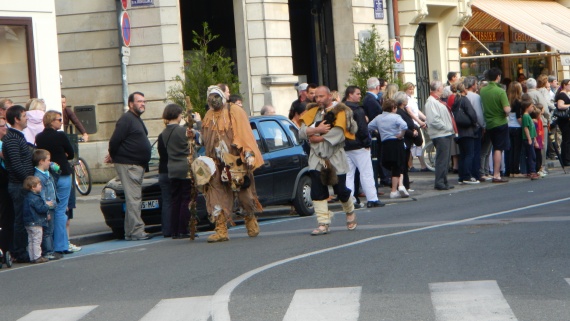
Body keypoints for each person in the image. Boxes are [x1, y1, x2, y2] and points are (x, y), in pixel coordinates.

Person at [198, 85, 263, 242]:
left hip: (235, 162)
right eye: (210, 97)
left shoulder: (235, 111)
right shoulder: (208, 115)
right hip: (216, 163)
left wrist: (248, 153)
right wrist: (195, 137)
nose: (213, 100)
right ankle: (221, 229)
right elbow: (205, 138)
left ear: (223, 97)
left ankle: (250, 218)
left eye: (216, 96)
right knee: (215, 195)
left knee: (244, 195)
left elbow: (245, 134)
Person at [299, 86, 358, 235]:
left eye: (321, 96)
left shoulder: (341, 112)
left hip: (335, 157)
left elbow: (337, 134)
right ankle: (323, 223)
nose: (317, 99)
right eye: (316, 97)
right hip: (316, 158)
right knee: (317, 191)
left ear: (329, 96)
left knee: (341, 190)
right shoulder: (312, 112)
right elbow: (301, 132)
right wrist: (315, 131)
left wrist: (315, 136)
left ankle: (350, 211)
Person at [106, 92, 152, 241]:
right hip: (129, 165)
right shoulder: (126, 119)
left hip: (136, 164)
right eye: (139, 101)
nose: (142, 104)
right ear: (131, 104)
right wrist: (113, 155)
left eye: (144, 101)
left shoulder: (136, 119)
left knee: (133, 198)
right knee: (134, 199)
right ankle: (137, 232)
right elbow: (114, 141)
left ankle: (130, 232)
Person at [35, 111, 75, 255]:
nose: (61, 122)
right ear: (51, 121)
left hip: (47, 175)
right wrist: (63, 154)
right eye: (59, 119)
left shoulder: (39, 137)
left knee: (49, 208)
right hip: (62, 173)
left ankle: (49, 245)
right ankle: (62, 245)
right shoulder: (61, 135)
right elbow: (71, 153)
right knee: (61, 209)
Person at [2, 105, 34, 262]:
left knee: (23, 218)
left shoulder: (18, 136)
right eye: (24, 115)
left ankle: (22, 250)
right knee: (20, 220)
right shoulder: (12, 139)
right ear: (16, 119)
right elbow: (16, 164)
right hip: (19, 185)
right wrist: (29, 181)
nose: (27, 118)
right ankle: (19, 252)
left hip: (22, 184)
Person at [343, 86, 384, 208]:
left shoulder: (340, 110)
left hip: (345, 145)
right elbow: (362, 129)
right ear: (350, 95)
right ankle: (372, 198)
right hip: (359, 145)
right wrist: (367, 143)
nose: (360, 96)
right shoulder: (358, 110)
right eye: (358, 93)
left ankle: (350, 200)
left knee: (349, 174)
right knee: (366, 172)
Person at [161, 104, 191, 239]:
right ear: (177, 115)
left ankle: (174, 230)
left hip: (171, 168)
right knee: (186, 199)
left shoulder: (163, 133)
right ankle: (183, 229)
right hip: (185, 167)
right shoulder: (182, 130)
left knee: (175, 200)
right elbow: (195, 140)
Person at [369, 99, 409, 199]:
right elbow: (404, 125)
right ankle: (395, 190)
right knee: (399, 165)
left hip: (385, 143)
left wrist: (378, 131)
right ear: (393, 108)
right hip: (397, 142)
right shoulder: (395, 117)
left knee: (392, 166)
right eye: (395, 108)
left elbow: (369, 127)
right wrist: (401, 134)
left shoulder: (379, 118)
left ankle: (400, 186)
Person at [479, 67, 510, 183]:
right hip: (500, 122)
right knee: (498, 148)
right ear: (498, 77)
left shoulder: (483, 91)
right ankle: (496, 174)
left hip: (489, 122)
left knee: (490, 148)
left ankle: (491, 172)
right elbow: (507, 109)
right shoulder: (500, 91)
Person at [425, 80, 455, 191]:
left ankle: (443, 180)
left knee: (445, 159)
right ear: (438, 89)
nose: (443, 88)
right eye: (442, 87)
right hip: (440, 134)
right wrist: (446, 127)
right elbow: (433, 120)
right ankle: (440, 181)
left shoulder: (437, 101)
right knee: (442, 159)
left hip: (444, 133)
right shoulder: (431, 102)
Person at [32, 149, 59, 260]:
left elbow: (54, 186)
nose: (50, 162)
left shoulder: (47, 174)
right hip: (47, 207)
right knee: (47, 231)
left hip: (52, 205)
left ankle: (50, 250)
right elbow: (41, 194)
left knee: (50, 229)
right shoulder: (39, 177)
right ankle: (48, 252)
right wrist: (46, 209)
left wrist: (56, 171)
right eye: (48, 160)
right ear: (41, 161)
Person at [451, 82, 480, 185]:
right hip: (468, 131)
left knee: (463, 155)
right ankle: (467, 176)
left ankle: (462, 176)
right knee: (469, 154)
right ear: (464, 90)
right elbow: (472, 114)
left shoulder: (456, 100)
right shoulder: (465, 100)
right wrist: (475, 122)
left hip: (459, 131)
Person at [22, 176, 52, 264]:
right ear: (33, 187)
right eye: (39, 184)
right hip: (36, 222)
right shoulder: (36, 198)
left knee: (31, 240)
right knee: (37, 239)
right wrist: (47, 205)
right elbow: (40, 209)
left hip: (28, 222)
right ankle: (37, 256)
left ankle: (32, 257)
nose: (41, 186)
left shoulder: (27, 197)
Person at [394, 91, 419, 192]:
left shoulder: (403, 110)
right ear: (402, 101)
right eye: (406, 99)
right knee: (402, 164)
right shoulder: (399, 112)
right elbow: (403, 126)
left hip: (408, 139)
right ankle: (403, 185)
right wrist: (412, 132)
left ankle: (405, 184)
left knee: (405, 163)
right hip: (404, 139)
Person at [403, 82, 428, 172]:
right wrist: (419, 121)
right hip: (412, 124)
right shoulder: (406, 99)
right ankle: (411, 165)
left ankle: (423, 165)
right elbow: (410, 112)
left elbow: (417, 111)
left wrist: (426, 118)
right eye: (410, 89)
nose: (411, 90)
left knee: (418, 143)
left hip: (416, 123)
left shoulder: (411, 99)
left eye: (412, 89)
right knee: (411, 145)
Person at [464, 76, 485, 182]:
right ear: (473, 85)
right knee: (475, 151)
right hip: (474, 127)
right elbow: (478, 114)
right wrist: (483, 125)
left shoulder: (461, 96)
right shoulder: (475, 97)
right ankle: (475, 173)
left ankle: (464, 174)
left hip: (463, 127)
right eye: (476, 84)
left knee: (465, 152)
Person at [506, 82, 524, 178]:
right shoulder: (518, 102)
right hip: (517, 127)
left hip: (509, 126)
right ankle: (516, 170)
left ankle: (511, 170)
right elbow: (518, 117)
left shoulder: (508, 100)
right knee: (517, 150)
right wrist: (525, 126)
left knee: (511, 150)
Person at [157, 121, 172, 238]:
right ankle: (178, 227)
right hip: (172, 170)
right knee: (178, 200)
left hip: (162, 170)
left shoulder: (161, 135)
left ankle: (166, 229)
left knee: (166, 201)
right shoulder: (179, 133)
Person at [521, 100, 540, 180]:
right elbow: (526, 128)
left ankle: (531, 171)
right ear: (527, 107)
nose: (533, 108)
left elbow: (532, 129)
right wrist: (529, 139)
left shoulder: (528, 116)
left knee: (532, 155)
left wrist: (534, 140)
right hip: (528, 139)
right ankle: (532, 171)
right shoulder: (525, 116)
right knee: (531, 155)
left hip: (532, 138)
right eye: (531, 106)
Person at [554, 79, 570, 165]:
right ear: (564, 85)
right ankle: (566, 159)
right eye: (569, 84)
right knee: (566, 139)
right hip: (564, 120)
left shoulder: (566, 94)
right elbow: (560, 106)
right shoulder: (562, 95)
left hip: (567, 119)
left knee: (568, 139)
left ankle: (567, 158)